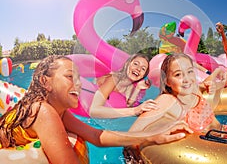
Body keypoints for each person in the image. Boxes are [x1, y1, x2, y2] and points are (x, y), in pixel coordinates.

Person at [0, 55, 193, 164]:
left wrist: (151, 135)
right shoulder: (43, 111)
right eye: (69, 77)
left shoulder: (60, 112)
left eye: (78, 77)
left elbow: (96, 135)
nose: (78, 83)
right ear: (45, 82)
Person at [90, 54, 158, 118]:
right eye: (136, 64)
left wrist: (138, 88)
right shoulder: (113, 79)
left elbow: (128, 105)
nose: (138, 69)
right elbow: (93, 110)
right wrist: (135, 110)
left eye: (143, 69)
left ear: (143, 76)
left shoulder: (129, 86)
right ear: (127, 64)